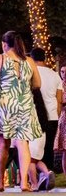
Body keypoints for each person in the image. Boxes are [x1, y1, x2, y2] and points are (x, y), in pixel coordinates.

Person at [0, 31, 42, 192]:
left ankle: (0, 181)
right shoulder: (29, 61)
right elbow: (37, 84)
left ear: (4, 44)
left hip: (5, 104)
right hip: (25, 104)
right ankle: (24, 182)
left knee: (3, 143)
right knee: (23, 143)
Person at [29, 47, 61, 186]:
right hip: (52, 116)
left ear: (31, 58)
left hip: (35, 116)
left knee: (32, 150)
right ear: (45, 58)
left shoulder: (31, 72)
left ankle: (37, 178)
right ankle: (47, 173)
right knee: (48, 148)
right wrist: (56, 115)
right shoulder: (55, 75)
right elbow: (59, 99)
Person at [55, 61, 66, 180]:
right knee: (64, 150)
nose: (64, 74)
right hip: (63, 118)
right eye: (62, 71)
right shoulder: (59, 85)